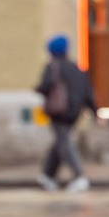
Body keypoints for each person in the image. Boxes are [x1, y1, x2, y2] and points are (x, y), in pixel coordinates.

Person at [34, 35, 95, 192]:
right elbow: (88, 92)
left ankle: (79, 176)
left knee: (64, 144)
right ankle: (47, 175)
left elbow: (45, 86)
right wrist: (95, 111)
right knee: (60, 142)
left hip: (58, 112)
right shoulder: (77, 68)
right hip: (74, 113)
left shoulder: (52, 67)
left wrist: (37, 89)